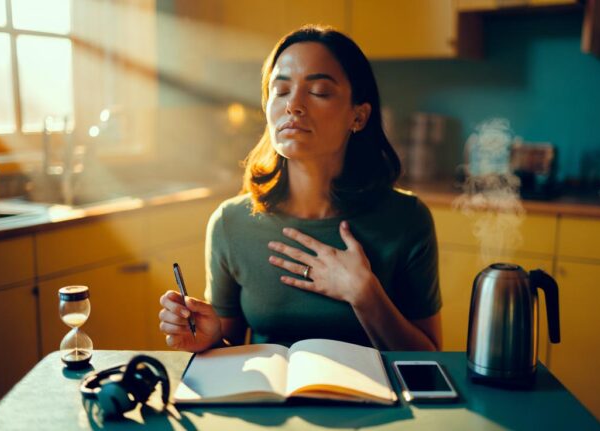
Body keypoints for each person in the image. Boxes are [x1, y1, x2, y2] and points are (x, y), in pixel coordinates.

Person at [159, 25, 441, 352]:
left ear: (359, 116)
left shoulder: (407, 220)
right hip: (270, 401)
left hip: (377, 403)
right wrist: (208, 340)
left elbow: (431, 363)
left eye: (319, 91)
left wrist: (365, 296)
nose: (293, 105)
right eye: (280, 91)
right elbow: (229, 354)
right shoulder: (230, 224)